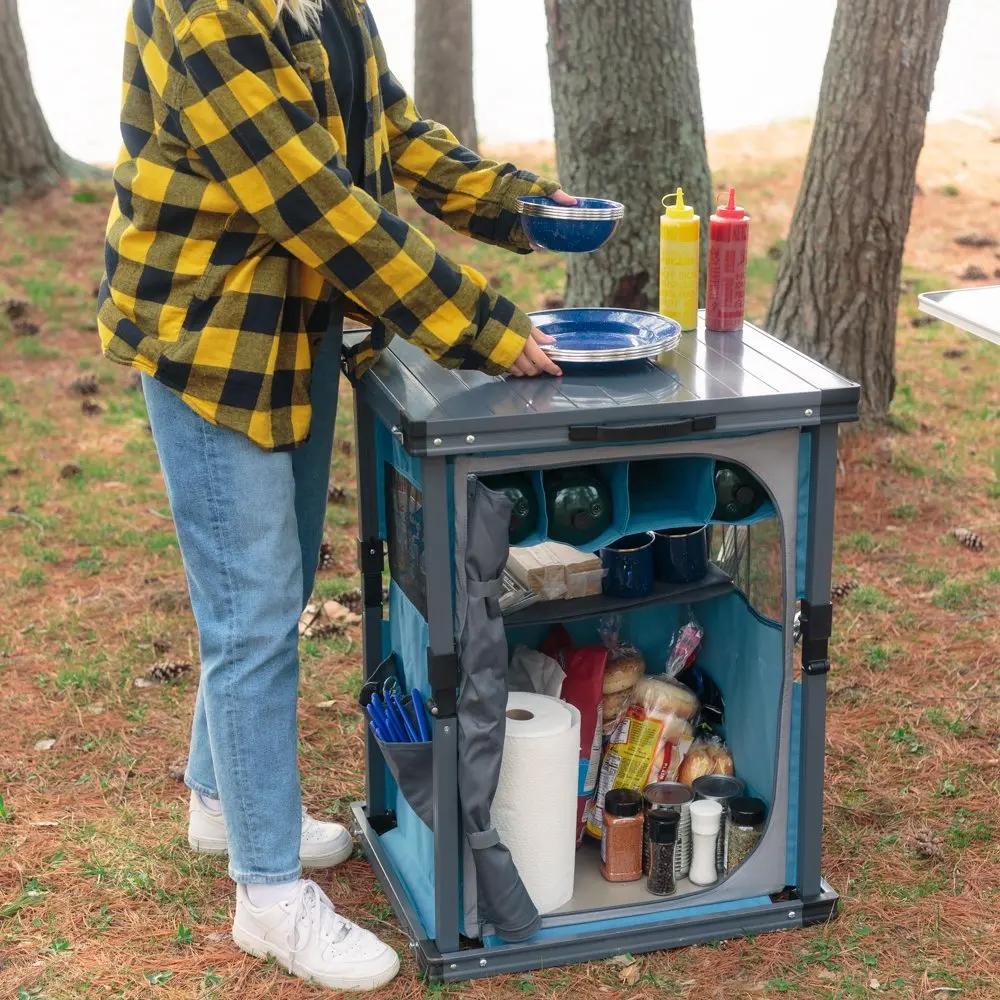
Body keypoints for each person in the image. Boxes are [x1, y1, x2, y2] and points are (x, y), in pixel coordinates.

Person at [97, 0, 574, 991]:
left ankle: (219, 802)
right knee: (255, 612)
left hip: (299, 328)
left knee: (259, 592)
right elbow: (315, 202)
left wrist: (521, 208)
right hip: (209, 343)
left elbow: (390, 133)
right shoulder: (203, 10)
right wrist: (480, 324)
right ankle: (265, 896)